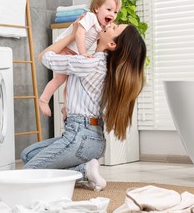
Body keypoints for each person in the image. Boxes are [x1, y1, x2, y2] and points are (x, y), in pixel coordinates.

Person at [21, 21, 147, 191]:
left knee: (29, 172)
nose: (111, 24)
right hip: (91, 137)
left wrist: (74, 34)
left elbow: (44, 56)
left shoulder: (88, 63)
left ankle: (83, 171)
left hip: (80, 136)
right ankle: (84, 170)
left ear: (112, 44)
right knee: (28, 155)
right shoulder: (104, 66)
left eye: (115, 28)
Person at [39, 0, 121, 117]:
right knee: (59, 79)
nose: (112, 14)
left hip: (74, 52)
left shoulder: (101, 25)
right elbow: (79, 33)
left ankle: (66, 107)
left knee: (71, 84)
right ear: (97, 8)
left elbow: (106, 38)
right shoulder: (91, 17)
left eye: (115, 12)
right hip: (66, 48)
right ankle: (44, 100)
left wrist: (112, 28)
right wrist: (83, 52)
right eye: (109, 9)